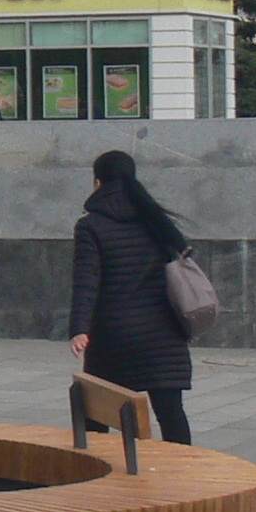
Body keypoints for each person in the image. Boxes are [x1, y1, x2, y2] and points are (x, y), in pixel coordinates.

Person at [67, 147, 195, 446]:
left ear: (98, 183)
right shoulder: (155, 219)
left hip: (115, 336)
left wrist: (80, 329)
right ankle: (186, 467)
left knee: (96, 411)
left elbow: (87, 281)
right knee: (171, 414)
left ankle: (95, 465)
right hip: (164, 335)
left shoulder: (91, 225)